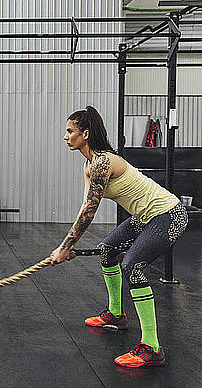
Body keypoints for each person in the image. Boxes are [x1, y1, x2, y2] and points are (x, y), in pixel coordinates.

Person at [50, 106, 188, 368]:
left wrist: (64, 247)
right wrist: (68, 246)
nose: (65, 136)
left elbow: (90, 212)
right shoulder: (89, 164)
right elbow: (84, 208)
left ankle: (152, 348)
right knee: (108, 251)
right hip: (145, 217)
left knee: (132, 265)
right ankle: (116, 314)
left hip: (169, 214)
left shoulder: (103, 162)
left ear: (85, 134)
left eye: (70, 131)